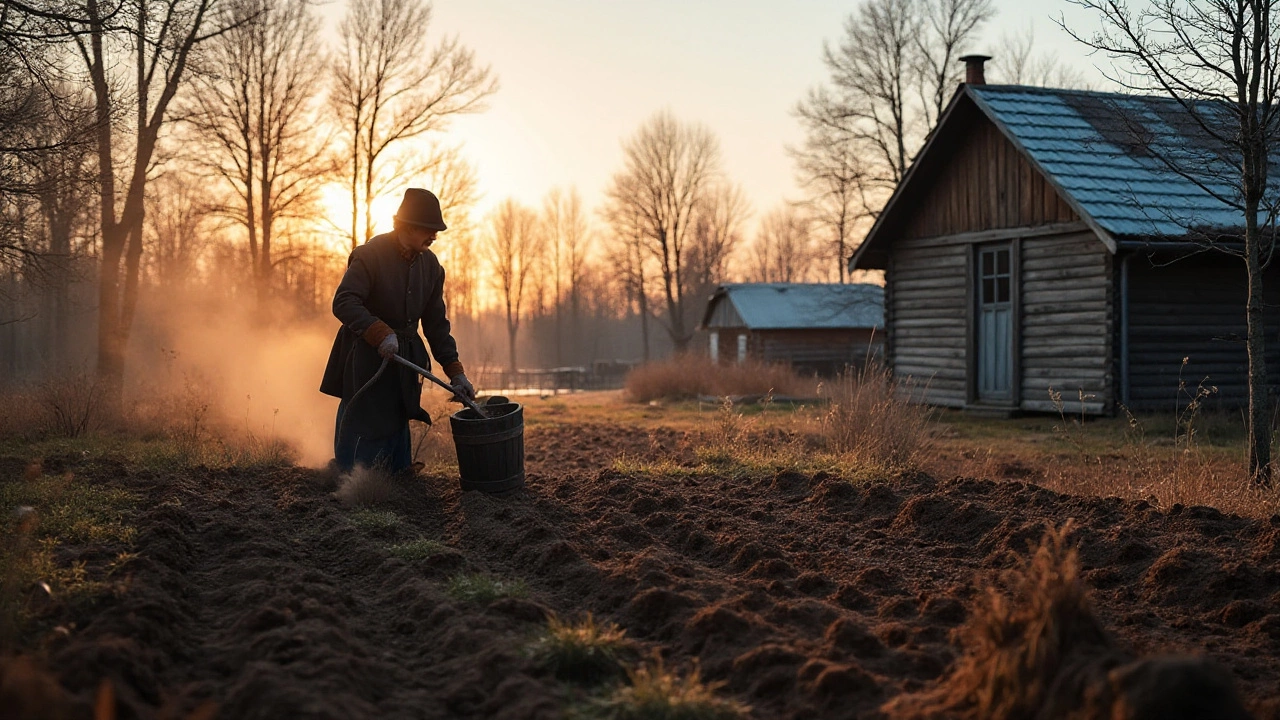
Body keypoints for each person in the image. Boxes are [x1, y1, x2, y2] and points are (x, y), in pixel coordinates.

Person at [320, 188, 476, 473]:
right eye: (429, 229)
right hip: (365, 358)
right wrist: (380, 333)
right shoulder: (370, 255)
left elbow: (436, 326)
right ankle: (350, 475)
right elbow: (344, 301)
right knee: (363, 416)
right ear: (408, 226)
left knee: (397, 412)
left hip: (404, 360)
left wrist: (456, 372)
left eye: (436, 231)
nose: (434, 236)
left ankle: (396, 472)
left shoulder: (431, 267)